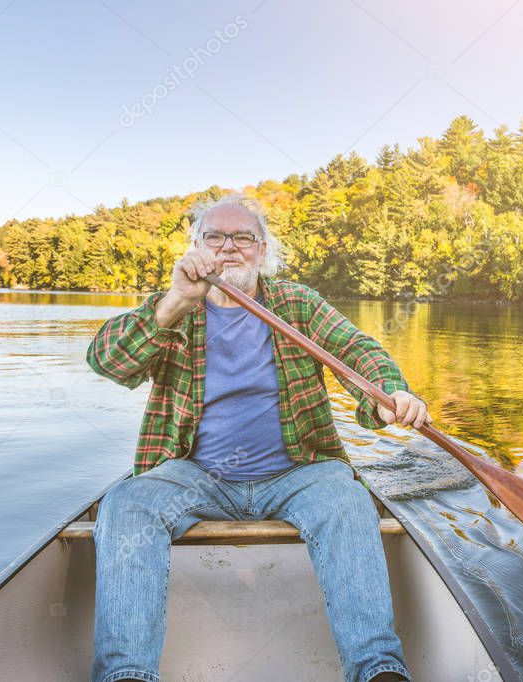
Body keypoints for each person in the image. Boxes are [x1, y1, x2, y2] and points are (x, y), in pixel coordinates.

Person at [85, 193, 430, 682]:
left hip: (299, 471)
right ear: (196, 247)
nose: (229, 248)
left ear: (262, 250)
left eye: (243, 238)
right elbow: (107, 361)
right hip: (196, 476)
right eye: (214, 237)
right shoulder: (176, 306)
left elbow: (355, 350)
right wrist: (174, 302)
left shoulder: (296, 303)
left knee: (349, 500)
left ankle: (378, 670)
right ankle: (127, 675)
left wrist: (388, 392)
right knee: (125, 504)